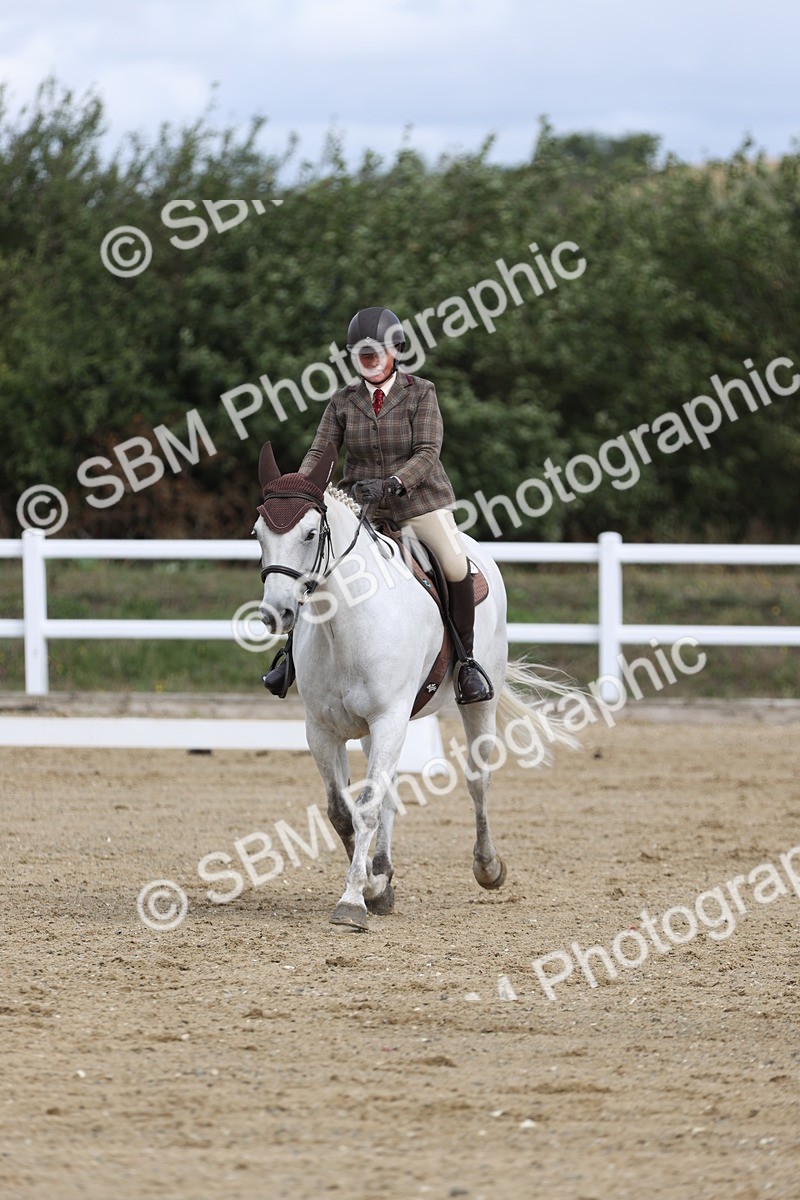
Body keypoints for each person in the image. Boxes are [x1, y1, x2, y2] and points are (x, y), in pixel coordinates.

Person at [262, 306, 493, 704]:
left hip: (419, 503)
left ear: (395, 350)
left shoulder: (421, 392)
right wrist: (302, 489)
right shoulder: (342, 402)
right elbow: (320, 451)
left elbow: (427, 452)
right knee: (311, 558)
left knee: (455, 564)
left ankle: (467, 663)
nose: (369, 358)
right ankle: (291, 658)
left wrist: (395, 482)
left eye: (376, 350)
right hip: (359, 506)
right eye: (361, 352)